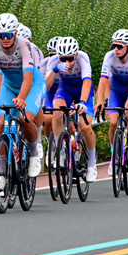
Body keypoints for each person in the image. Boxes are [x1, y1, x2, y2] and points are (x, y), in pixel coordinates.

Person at [0, 13, 46, 180]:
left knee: (24, 118)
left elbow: (28, 78)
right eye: (1, 35)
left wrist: (22, 98)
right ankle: (1, 173)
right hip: (9, 86)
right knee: (1, 123)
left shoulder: (25, 45)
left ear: (15, 33)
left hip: (32, 85)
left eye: (8, 35)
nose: (5, 39)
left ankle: (34, 152)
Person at [45, 37, 98, 182]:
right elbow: (46, 87)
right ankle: (59, 151)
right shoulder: (54, 61)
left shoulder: (83, 58)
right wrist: (55, 70)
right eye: (63, 59)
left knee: (85, 128)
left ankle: (92, 164)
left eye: (69, 58)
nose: (66, 62)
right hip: (65, 89)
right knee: (57, 111)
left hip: (83, 90)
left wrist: (82, 103)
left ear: (75, 55)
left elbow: (87, 81)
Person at [96, 29, 128, 173]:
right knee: (113, 123)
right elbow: (103, 80)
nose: (115, 49)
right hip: (116, 90)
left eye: (119, 46)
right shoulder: (109, 56)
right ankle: (114, 157)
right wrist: (100, 100)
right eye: (114, 46)